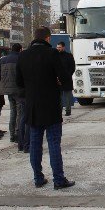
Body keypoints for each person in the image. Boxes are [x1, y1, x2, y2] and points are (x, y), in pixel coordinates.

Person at [16, 26, 75, 190]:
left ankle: (38, 178)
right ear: (48, 39)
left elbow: (19, 82)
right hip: (50, 106)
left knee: (35, 144)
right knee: (54, 142)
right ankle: (58, 179)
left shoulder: (23, 56)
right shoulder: (52, 53)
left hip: (33, 106)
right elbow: (64, 77)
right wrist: (58, 83)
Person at [0, 43, 23, 143]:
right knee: (20, 112)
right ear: (20, 50)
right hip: (18, 89)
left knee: (13, 111)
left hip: (7, 89)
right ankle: (18, 133)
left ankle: (11, 134)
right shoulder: (20, 59)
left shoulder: (3, 60)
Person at [56, 42, 76, 116]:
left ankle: (68, 111)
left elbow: (72, 67)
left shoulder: (69, 56)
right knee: (59, 97)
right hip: (58, 79)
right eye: (57, 47)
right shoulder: (55, 56)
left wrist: (67, 75)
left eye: (59, 47)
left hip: (67, 79)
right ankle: (59, 111)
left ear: (63, 47)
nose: (58, 49)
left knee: (67, 96)